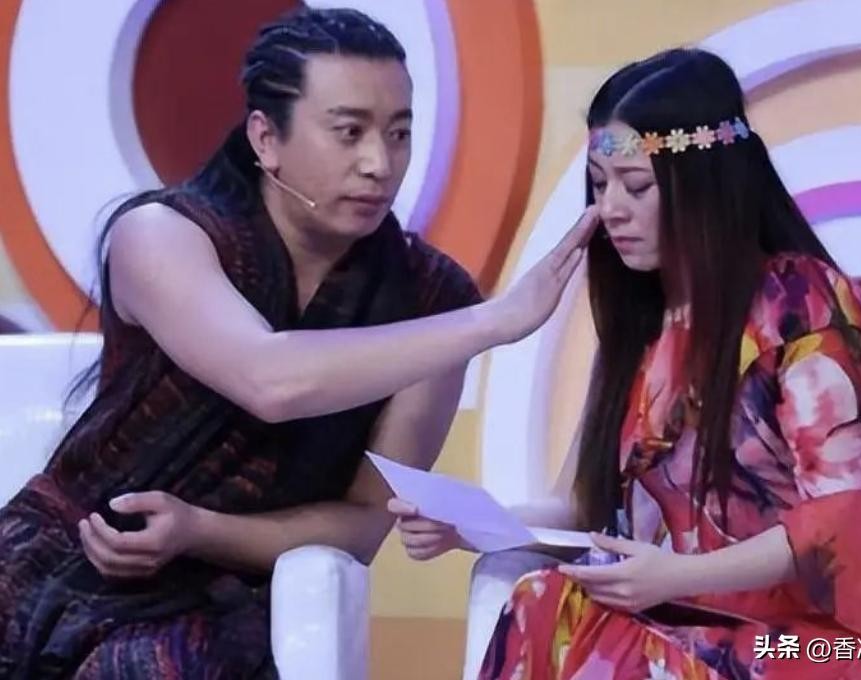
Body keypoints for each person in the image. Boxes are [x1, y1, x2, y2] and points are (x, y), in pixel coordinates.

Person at [0, 7, 596, 678]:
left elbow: (364, 523)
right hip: (61, 556)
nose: (379, 164)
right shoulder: (163, 236)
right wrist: (493, 323)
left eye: (399, 133)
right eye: (349, 132)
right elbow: (269, 379)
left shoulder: (430, 298)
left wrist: (199, 530)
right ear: (266, 137)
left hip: (221, 596)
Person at [391, 48, 861, 679]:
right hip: (685, 620)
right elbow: (575, 508)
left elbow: (835, 519)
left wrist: (678, 576)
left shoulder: (802, 303)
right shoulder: (642, 325)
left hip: (825, 647)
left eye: (636, 186)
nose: (611, 208)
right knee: (542, 603)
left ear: (704, 184)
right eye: (600, 184)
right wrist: (465, 524)